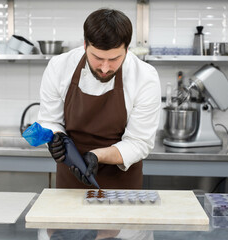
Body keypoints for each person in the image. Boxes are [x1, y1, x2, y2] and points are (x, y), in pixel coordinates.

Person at [38, 8, 161, 189]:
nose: (104, 68)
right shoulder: (59, 67)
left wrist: (97, 156)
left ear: (127, 49)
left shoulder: (145, 77)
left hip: (121, 185)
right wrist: (55, 137)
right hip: (71, 178)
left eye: (114, 59)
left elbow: (139, 142)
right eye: (97, 58)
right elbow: (49, 120)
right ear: (85, 45)